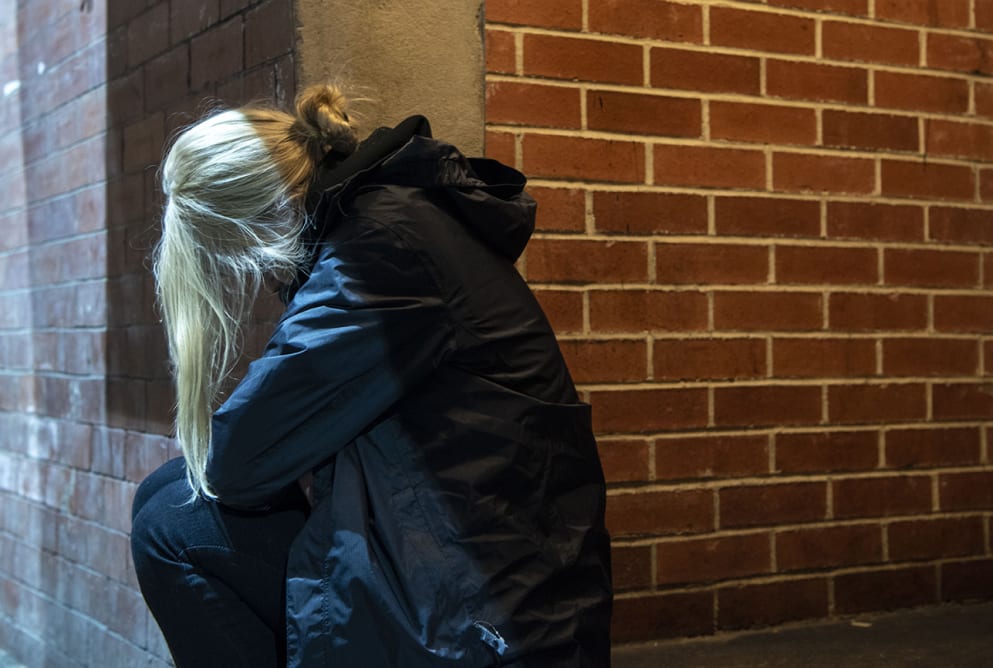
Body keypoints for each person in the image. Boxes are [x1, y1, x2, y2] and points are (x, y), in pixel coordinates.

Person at [130, 84, 612, 668]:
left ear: (251, 226)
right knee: (169, 494)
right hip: (467, 560)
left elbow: (238, 461)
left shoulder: (379, 251)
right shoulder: (386, 222)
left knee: (169, 524)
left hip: (493, 614)